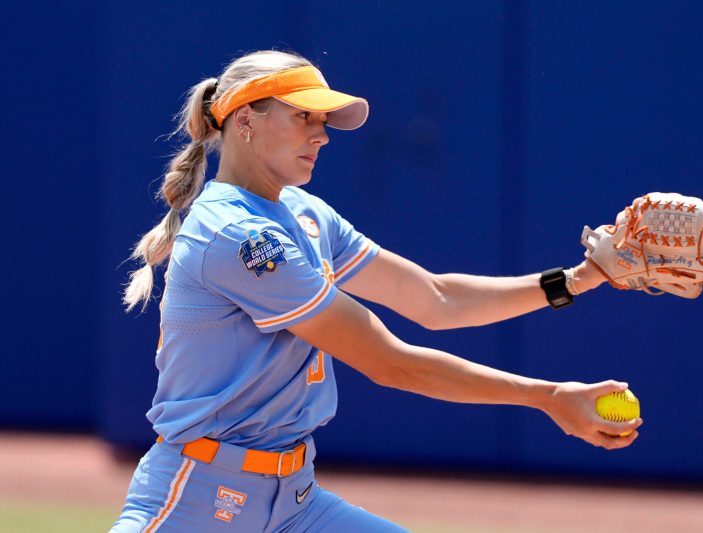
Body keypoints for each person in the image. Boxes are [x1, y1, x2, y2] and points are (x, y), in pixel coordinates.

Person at [111, 50, 642, 533]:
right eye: (304, 116)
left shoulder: (305, 214)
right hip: (198, 505)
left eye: (323, 122)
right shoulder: (239, 236)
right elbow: (391, 363)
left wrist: (577, 278)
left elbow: (436, 298)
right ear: (246, 119)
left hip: (295, 505)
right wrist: (547, 397)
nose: (321, 135)